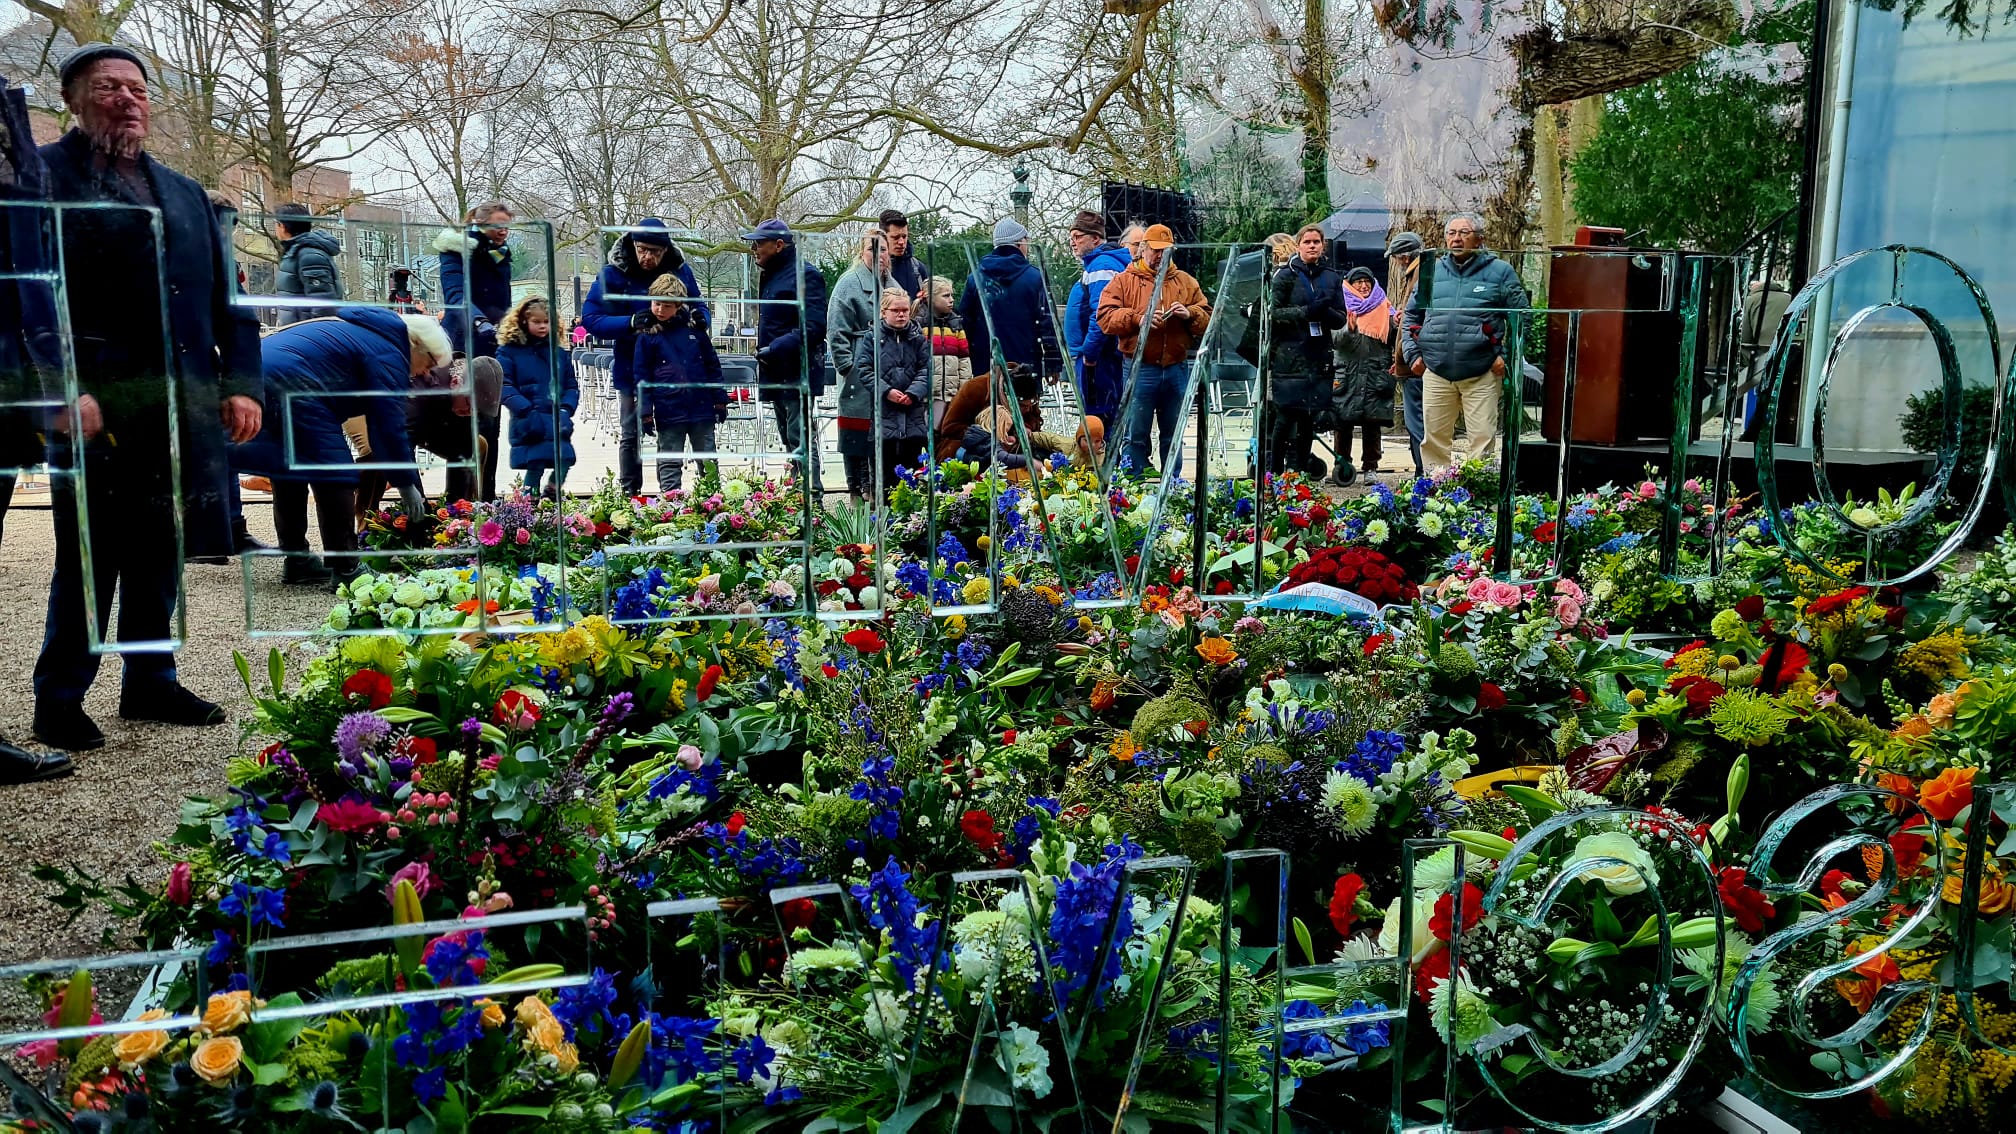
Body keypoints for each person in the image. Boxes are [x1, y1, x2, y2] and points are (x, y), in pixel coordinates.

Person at [30, 43, 265, 753]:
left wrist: (242, 383)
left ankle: (151, 681)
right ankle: (60, 696)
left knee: (163, 541)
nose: (128, 99)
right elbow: (26, 301)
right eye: (108, 87)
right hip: (96, 404)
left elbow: (231, 302)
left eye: (137, 88)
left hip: (183, 402)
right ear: (73, 100)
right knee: (91, 551)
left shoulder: (186, 192)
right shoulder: (40, 180)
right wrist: (60, 388)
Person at [235, 307, 442, 587]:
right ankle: (346, 569)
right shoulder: (391, 351)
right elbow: (388, 426)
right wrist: (406, 485)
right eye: (429, 362)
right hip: (296, 384)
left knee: (286, 470)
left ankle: (297, 560)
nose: (425, 372)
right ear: (416, 344)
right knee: (335, 475)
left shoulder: (369, 333)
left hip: (257, 375)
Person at [579, 217, 704, 495]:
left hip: (677, 368)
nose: (648, 257)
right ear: (632, 245)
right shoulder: (612, 274)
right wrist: (630, 322)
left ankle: (698, 493)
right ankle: (629, 494)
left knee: (685, 430)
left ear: (665, 250)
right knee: (631, 433)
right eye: (642, 249)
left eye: (655, 252)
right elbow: (591, 318)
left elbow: (698, 305)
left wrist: (698, 319)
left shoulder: (680, 271)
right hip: (632, 366)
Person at [1402, 212, 1527, 471]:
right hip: (1436, 370)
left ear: (1479, 239)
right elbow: (1411, 315)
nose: (1456, 239)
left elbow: (1522, 318)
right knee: (1434, 440)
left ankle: (1476, 498)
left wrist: (1506, 354)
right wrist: (1413, 354)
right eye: (1451, 233)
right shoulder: (1431, 271)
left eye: (1463, 233)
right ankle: (1437, 496)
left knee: (1481, 439)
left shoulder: (1501, 272)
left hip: (1482, 371)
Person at [1096, 223, 1210, 477]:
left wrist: (1189, 313)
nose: (1160, 256)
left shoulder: (1185, 282)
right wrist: (1139, 318)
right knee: (1135, 432)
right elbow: (1104, 317)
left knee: (1173, 432)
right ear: (1143, 249)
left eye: (1166, 251)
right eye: (1156, 250)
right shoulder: (1124, 281)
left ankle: (1173, 485)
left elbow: (1208, 319)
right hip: (1140, 367)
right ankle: (1135, 485)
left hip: (1176, 367)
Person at [434, 201, 513, 497]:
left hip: (493, 347)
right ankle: (458, 503)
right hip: (462, 347)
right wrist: (479, 321)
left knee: (490, 424)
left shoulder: (501, 254)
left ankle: (486, 497)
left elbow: (502, 301)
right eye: (497, 225)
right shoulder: (456, 250)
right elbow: (455, 296)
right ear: (479, 224)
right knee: (462, 424)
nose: (503, 231)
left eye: (506, 225)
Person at [743, 218, 827, 487]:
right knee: (788, 438)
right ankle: (797, 494)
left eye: (759, 244)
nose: (754, 249)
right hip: (775, 369)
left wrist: (775, 348)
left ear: (779, 245)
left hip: (796, 370)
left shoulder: (805, 275)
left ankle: (811, 497)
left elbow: (814, 326)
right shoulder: (773, 274)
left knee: (799, 436)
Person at [1264, 225, 1344, 479]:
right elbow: (1271, 314)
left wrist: (1326, 312)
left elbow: (1341, 318)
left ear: (1323, 246)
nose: (1312, 246)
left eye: (1316, 242)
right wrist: (1305, 312)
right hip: (1289, 357)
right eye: (1307, 242)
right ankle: (1274, 473)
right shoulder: (1285, 276)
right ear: (1298, 245)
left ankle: (1299, 472)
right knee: (1286, 416)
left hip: (1318, 357)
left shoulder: (1331, 277)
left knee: (1310, 417)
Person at [633, 275, 726, 493]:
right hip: (668, 408)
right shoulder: (648, 336)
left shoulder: (696, 332)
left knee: (707, 459)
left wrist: (720, 399)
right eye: (656, 303)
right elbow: (641, 376)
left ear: (678, 306)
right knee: (669, 459)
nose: (660, 310)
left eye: (666, 305)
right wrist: (645, 411)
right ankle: (671, 503)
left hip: (701, 406)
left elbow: (713, 366)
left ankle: (712, 501)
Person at [957, 217, 1062, 400]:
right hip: (1026, 367)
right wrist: (1053, 363)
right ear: (1020, 243)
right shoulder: (1034, 277)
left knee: (990, 420)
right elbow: (1047, 323)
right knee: (1025, 421)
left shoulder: (975, 278)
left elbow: (965, 323)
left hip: (986, 366)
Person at [828, 229, 894, 499]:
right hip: (857, 366)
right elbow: (836, 330)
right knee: (855, 428)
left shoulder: (894, 286)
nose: (879, 255)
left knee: (883, 430)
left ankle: (879, 488)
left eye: (883, 249)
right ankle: (856, 487)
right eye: (872, 249)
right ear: (861, 252)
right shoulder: (848, 284)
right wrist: (847, 366)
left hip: (888, 367)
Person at [498, 295, 578, 498]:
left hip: (556, 417)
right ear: (524, 321)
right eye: (537, 322)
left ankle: (551, 491)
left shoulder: (558, 353)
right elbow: (504, 385)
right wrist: (524, 408)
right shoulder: (510, 352)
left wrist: (566, 408)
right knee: (536, 464)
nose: (543, 326)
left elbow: (571, 385)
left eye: (547, 322)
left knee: (565, 459)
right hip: (530, 418)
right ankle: (529, 503)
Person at [857, 286, 931, 491]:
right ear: (883, 312)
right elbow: (864, 369)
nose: (901, 314)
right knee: (886, 477)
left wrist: (913, 392)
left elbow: (926, 369)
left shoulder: (918, 338)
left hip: (913, 416)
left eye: (905, 310)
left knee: (915, 476)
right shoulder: (872, 338)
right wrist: (886, 390)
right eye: (895, 310)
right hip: (884, 415)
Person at [1062, 209, 1129, 424]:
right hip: (1097, 357)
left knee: (1098, 420)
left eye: (1078, 237)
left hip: (1099, 359)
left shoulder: (1102, 266)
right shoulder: (1098, 264)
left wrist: (1089, 353)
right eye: (1071, 237)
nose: (1073, 242)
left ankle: (1104, 457)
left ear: (1096, 238)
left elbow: (1101, 314)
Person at [1331, 267, 1396, 486]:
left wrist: (1396, 323)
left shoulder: (1384, 306)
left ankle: (1371, 467)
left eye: (1367, 281)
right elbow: (1335, 341)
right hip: (1346, 375)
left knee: (1372, 423)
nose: (1363, 285)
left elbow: (1392, 336)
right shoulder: (1341, 306)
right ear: (1350, 285)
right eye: (1358, 282)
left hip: (1375, 374)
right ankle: (1342, 465)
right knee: (1343, 422)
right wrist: (1348, 329)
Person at [1385, 232, 1426, 476]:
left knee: (1416, 419)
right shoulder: (1416, 273)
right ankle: (1422, 469)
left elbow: (1416, 321)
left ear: (1403, 256)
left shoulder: (1419, 273)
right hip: (1409, 359)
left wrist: (1406, 358)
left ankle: (1423, 470)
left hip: (1416, 362)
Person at [272, 202, 342, 324]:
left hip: (306, 334)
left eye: (276, 224)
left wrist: (314, 336)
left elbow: (323, 304)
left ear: (282, 226)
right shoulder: (296, 252)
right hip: (298, 332)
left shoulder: (308, 255)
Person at [923, 274, 970, 414]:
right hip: (926, 397)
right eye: (946, 296)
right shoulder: (919, 325)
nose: (951, 300)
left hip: (952, 395)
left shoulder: (956, 325)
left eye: (951, 295)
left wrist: (964, 390)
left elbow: (964, 361)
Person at [878, 207, 929, 300]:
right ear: (882, 237)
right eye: (895, 237)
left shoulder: (918, 268)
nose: (901, 242)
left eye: (904, 236)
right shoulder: (870, 269)